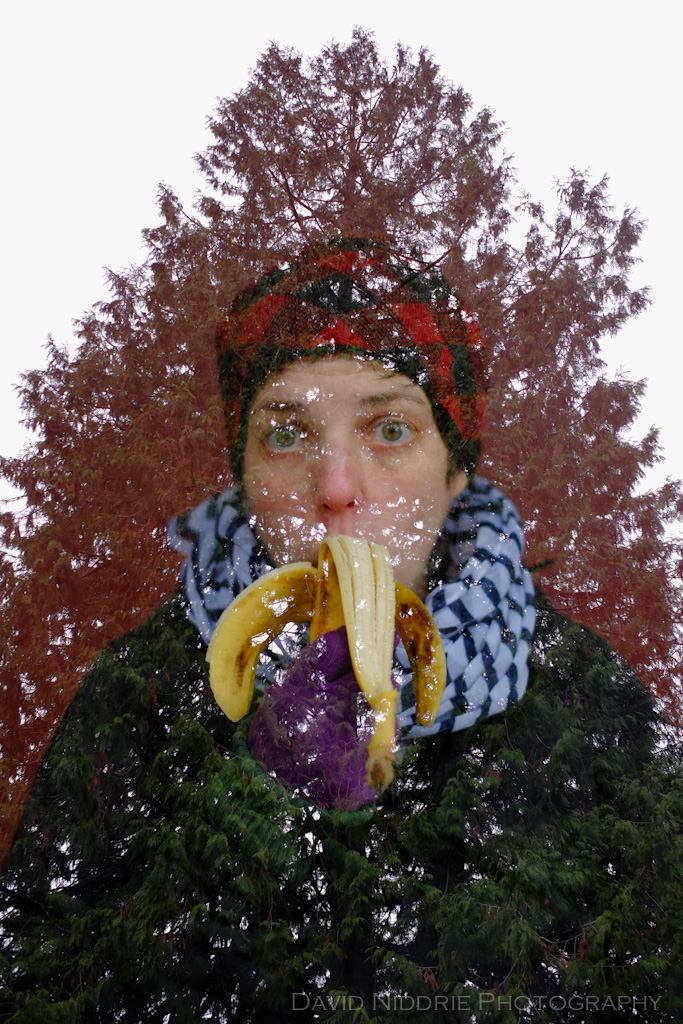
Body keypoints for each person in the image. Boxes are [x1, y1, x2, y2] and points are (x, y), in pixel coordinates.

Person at [0, 241, 680, 1022]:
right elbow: (34, 984)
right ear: (242, 474)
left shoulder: (586, 697)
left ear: (455, 471)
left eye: (389, 430)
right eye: (285, 435)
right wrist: (251, 811)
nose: (334, 488)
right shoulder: (139, 695)